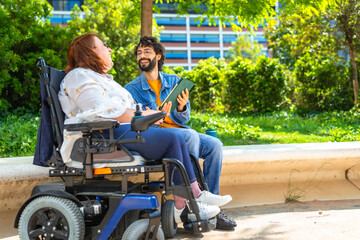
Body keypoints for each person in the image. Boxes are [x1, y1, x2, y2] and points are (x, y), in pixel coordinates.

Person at [58, 33, 232, 224]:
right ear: (90, 52)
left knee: (188, 138)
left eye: (147, 51)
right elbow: (103, 110)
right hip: (106, 135)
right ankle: (188, 202)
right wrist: (144, 115)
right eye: (104, 45)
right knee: (176, 137)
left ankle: (190, 200)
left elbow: (123, 109)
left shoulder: (100, 78)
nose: (109, 49)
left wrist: (156, 112)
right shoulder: (79, 76)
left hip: (122, 130)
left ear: (158, 56)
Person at [125, 36, 237, 230]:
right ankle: (191, 206)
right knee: (191, 136)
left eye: (147, 52)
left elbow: (185, 120)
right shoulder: (131, 89)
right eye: (139, 53)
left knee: (214, 145)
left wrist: (181, 108)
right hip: (161, 136)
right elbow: (137, 124)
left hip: (180, 130)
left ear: (158, 56)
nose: (142, 56)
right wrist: (157, 116)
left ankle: (211, 208)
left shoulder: (174, 81)